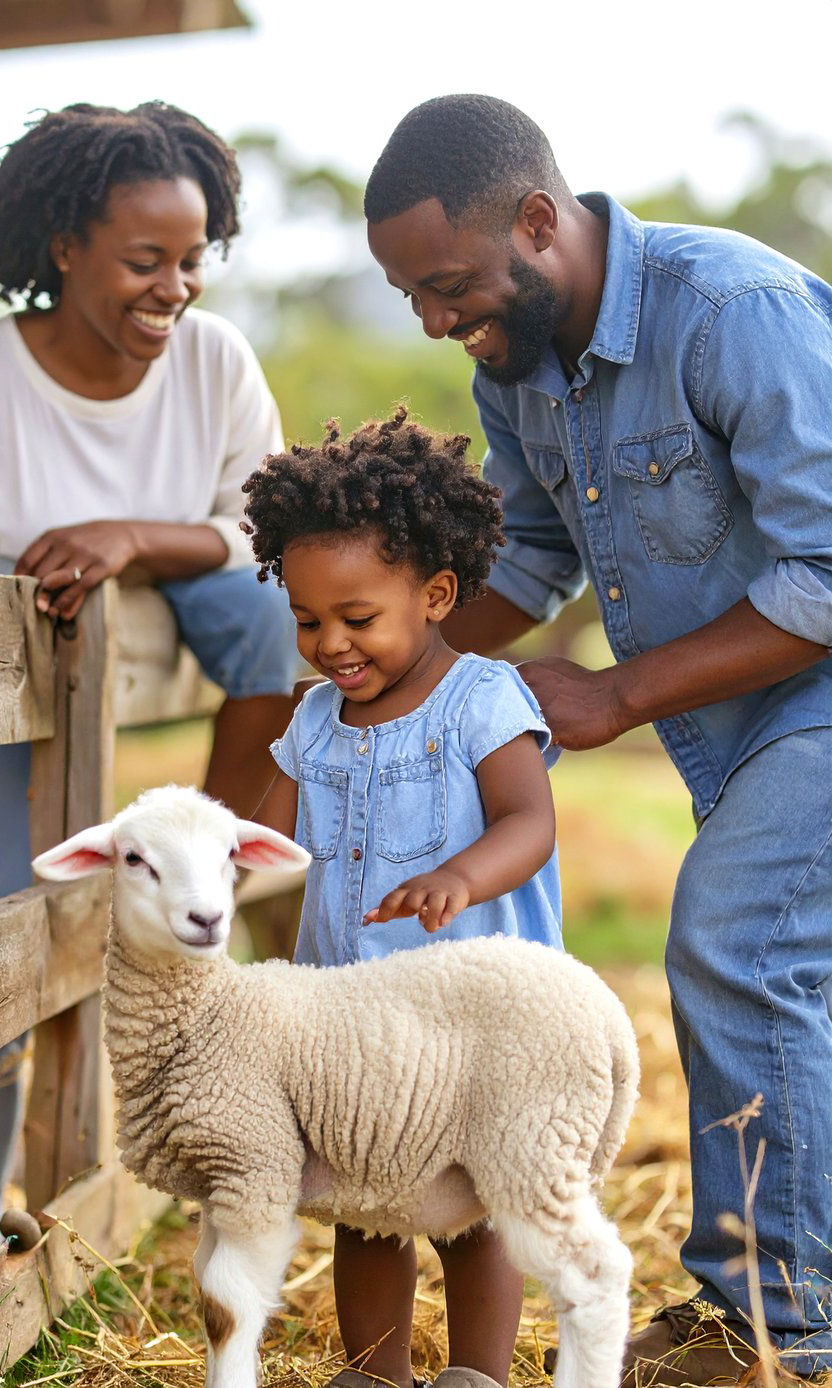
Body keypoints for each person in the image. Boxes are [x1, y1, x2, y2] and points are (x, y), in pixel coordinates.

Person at [363, 94, 832, 1386]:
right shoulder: (518, 366)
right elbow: (531, 552)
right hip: (741, 717)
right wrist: (395, 668)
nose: (437, 321)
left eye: (448, 284)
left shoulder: (732, 312)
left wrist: (619, 696)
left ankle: (774, 1329)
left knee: (737, 942)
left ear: (537, 220)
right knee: (784, 967)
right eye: (410, 296)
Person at [0, 101, 301, 1277]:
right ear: (64, 248)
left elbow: (275, 534)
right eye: (145, 261)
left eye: (193, 259)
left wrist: (130, 536)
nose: (176, 288)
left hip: (161, 656)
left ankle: (216, 854)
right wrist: (18, 570)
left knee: (260, 603)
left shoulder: (215, 364)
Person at [243, 408, 562, 1388]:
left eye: (357, 618)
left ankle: (475, 1370)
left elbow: (528, 821)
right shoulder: (313, 721)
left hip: (471, 1021)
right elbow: (265, 833)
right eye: (306, 620)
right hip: (352, 1023)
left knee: (473, 1208)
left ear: (433, 594)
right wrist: (216, 864)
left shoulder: (482, 699)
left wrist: (460, 874)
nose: (330, 643)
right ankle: (374, 1372)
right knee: (365, 1204)